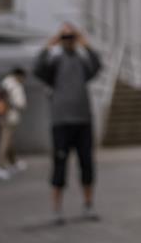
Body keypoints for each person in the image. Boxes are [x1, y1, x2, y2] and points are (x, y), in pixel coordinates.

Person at [33, 23, 102, 224]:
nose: (69, 40)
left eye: (71, 37)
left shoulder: (82, 62)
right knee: (59, 165)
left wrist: (85, 43)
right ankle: (57, 209)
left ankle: (88, 205)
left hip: (83, 121)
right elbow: (38, 68)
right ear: (60, 39)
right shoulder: (54, 62)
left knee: (87, 164)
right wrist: (50, 44)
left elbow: (97, 65)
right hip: (61, 121)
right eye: (66, 37)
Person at [0, 67, 27, 179]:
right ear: (19, 75)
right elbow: (20, 103)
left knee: (8, 141)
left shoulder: (5, 83)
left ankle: (13, 162)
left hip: (2, 116)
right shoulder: (14, 85)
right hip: (9, 117)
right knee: (4, 142)